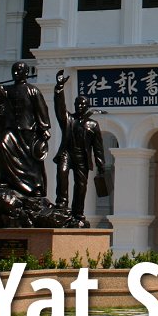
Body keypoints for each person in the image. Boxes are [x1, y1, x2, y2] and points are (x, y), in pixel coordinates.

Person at [0, 62, 51, 198]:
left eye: (19, 70)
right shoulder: (7, 91)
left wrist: (44, 127)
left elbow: (41, 109)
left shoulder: (33, 91)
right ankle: (5, 181)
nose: (16, 73)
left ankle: (36, 186)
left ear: (26, 72)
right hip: (11, 130)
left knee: (32, 162)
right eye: (14, 70)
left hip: (28, 130)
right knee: (2, 144)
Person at [54, 69, 105, 219]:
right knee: (61, 175)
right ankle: (62, 204)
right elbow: (59, 108)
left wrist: (101, 165)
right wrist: (59, 89)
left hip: (82, 157)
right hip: (67, 153)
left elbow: (98, 148)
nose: (79, 106)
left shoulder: (93, 125)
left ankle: (78, 212)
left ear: (87, 106)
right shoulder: (69, 119)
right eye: (77, 104)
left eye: (82, 104)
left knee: (81, 186)